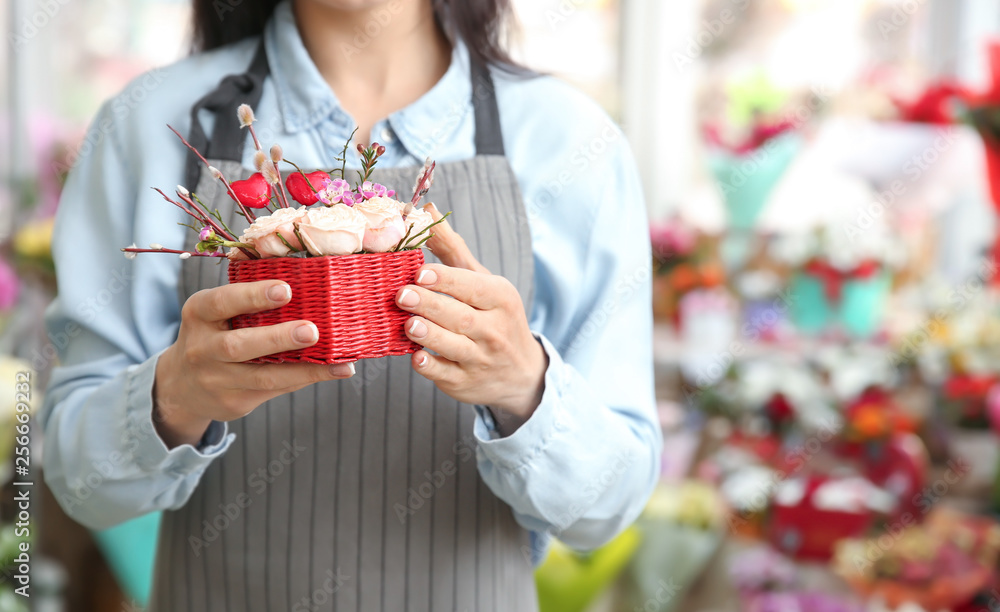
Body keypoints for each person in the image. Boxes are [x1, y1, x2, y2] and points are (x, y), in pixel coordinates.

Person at [41, 0, 661, 609]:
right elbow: (80, 485)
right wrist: (173, 399)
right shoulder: (146, 123)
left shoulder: (571, 142)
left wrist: (526, 389)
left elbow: (606, 511)